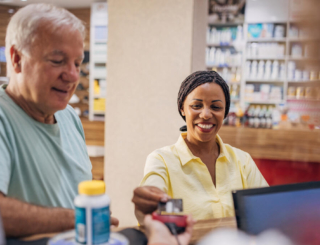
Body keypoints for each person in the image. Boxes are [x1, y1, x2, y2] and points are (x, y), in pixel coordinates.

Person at [0, 4, 118, 237]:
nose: (72, 75)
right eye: (57, 60)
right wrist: (78, 219)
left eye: (77, 63)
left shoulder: (69, 116)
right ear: (16, 59)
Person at [132, 71, 268, 223]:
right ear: (182, 108)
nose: (205, 114)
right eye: (196, 106)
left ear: (225, 112)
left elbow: (267, 209)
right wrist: (147, 203)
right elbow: (152, 205)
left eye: (216, 107)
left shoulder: (243, 161)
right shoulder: (161, 160)